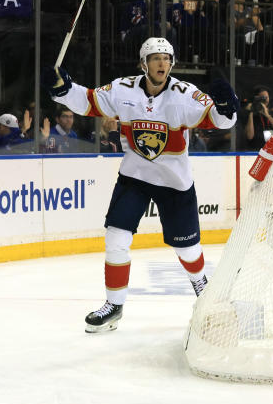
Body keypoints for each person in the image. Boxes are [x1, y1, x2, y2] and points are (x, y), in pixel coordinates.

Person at [43, 37, 239, 333]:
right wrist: (64, 91)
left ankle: (202, 288)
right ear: (144, 63)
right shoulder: (123, 89)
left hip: (175, 182)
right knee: (116, 237)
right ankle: (114, 305)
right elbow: (88, 100)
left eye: (167, 58)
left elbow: (219, 119)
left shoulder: (185, 95)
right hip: (135, 176)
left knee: (187, 249)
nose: (163, 63)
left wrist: (226, 109)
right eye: (156, 58)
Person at [241, 85, 273, 150]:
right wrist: (251, 112)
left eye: (266, 97)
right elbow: (249, 136)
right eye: (261, 98)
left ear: (269, 98)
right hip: (255, 151)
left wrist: (267, 115)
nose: (264, 100)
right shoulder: (250, 115)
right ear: (255, 99)